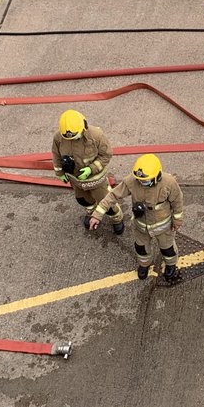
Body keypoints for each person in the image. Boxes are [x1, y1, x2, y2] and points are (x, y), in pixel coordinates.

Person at [89, 153, 184, 283]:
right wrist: (97, 215)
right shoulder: (132, 181)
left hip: (163, 227)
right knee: (141, 248)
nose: (142, 182)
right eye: (140, 180)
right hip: (141, 227)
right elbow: (112, 196)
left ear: (157, 176)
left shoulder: (169, 183)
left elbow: (177, 202)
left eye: (146, 180)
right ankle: (144, 265)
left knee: (168, 249)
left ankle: (171, 265)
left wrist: (177, 220)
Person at [52, 109, 124, 235]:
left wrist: (91, 169)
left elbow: (106, 155)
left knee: (107, 204)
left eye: (75, 136)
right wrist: (60, 173)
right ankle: (91, 212)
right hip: (76, 180)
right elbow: (56, 155)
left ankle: (116, 219)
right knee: (83, 200)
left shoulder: (96, 136)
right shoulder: (59, 137)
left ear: (84, 126)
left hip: (96, 180)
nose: (73, 139)